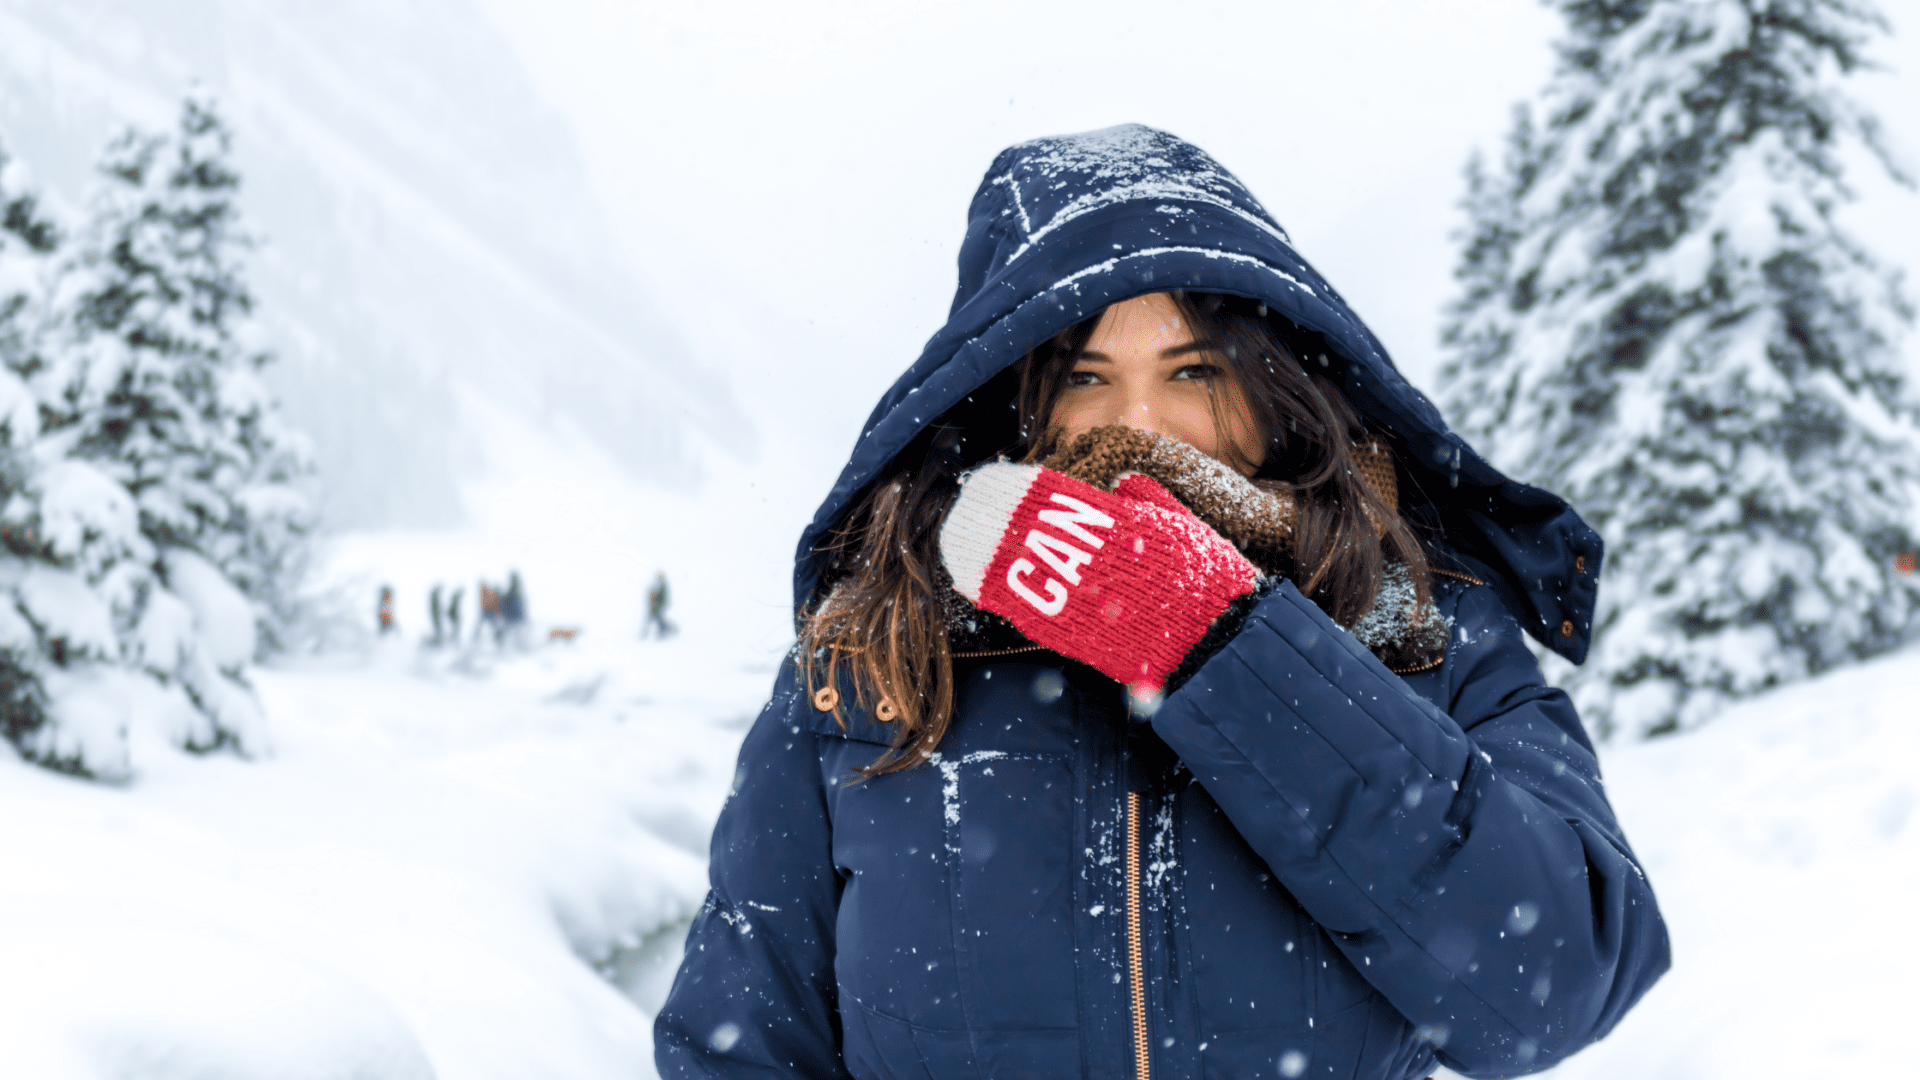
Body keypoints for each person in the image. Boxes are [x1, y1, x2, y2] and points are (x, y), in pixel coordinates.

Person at [655, 126, 1669, 1079]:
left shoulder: (1420, 624)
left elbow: (1559, 981)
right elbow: (739, 1047)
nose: (1142, 422)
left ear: (1276, 389)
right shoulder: (873, 652)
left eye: (1194, 370)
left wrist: (1213, 639)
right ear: (1009, 404)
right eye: (1085, 377)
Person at [644, 571, 676, 639]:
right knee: (656, 620)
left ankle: (665, 632)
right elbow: (651, 597)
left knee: (658, 620)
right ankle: (645, 635)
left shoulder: (662, 586)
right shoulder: (658, 585)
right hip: (654, 606)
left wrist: (659, 605)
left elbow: (662, 597)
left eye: (660, 576)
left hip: (659, 606)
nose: (659, 578)